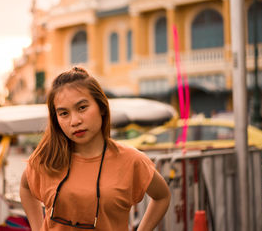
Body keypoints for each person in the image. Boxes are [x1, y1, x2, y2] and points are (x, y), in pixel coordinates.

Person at [20, 67, 170, 230]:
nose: (75, 121)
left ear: (102, 107)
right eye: (64, 113)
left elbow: (162, 196)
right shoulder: (48, 157)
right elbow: (25, 187)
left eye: (82, 108)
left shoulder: (132, 160)